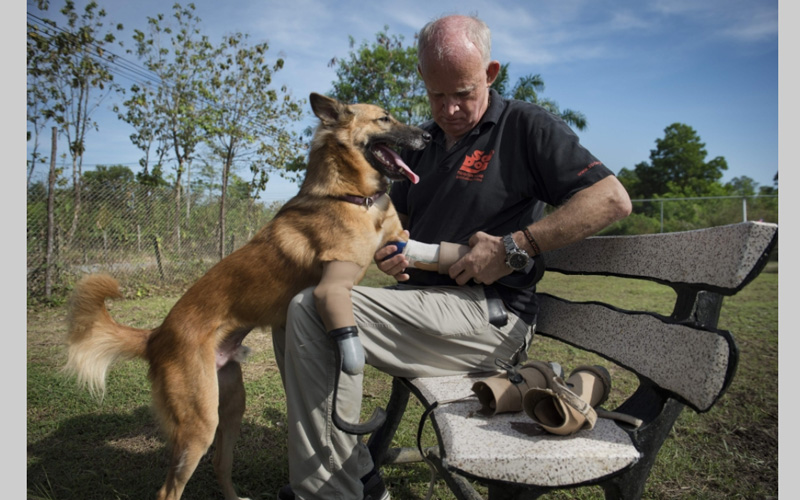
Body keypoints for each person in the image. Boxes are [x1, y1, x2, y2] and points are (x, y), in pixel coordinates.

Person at [273, 14, 632, 500]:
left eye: (463, 93)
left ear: (490, 73)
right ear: (423, 80)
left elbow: (612, 199)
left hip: (489, 319)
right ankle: (354, 478)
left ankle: (331, 493)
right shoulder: (421, 145)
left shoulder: (525, 126)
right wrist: (393, 256)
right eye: (437, 95)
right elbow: (396, 233)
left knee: (311, 311)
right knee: (296, 308)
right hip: (428, 310)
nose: (450, 108)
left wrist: (516, 246)